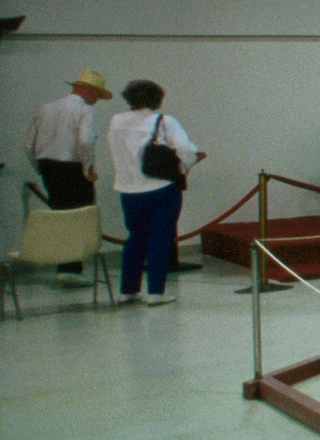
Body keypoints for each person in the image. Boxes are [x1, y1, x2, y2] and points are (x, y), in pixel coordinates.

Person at [106, 80, 203, 305]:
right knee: (161, 237)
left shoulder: (116, 121)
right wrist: (183, 167)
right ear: (157, 99)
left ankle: (128, 289)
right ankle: (155, 291)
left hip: (128, 188)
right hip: (161, 187)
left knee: (135, 238)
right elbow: (187, 149)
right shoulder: (164, 121)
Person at [26, 68, 109, 284]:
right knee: (79, 217)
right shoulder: (84, 110)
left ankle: (64, 265)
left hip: (47, 166)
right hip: (72, 167)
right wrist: (88, 168)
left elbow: (29, 145)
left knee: (59, 215)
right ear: (88, 91)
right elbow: (85, 140)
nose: (97, 100)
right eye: (97, 95)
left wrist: (40, 167)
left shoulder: (45, 108)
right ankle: (71, 269)